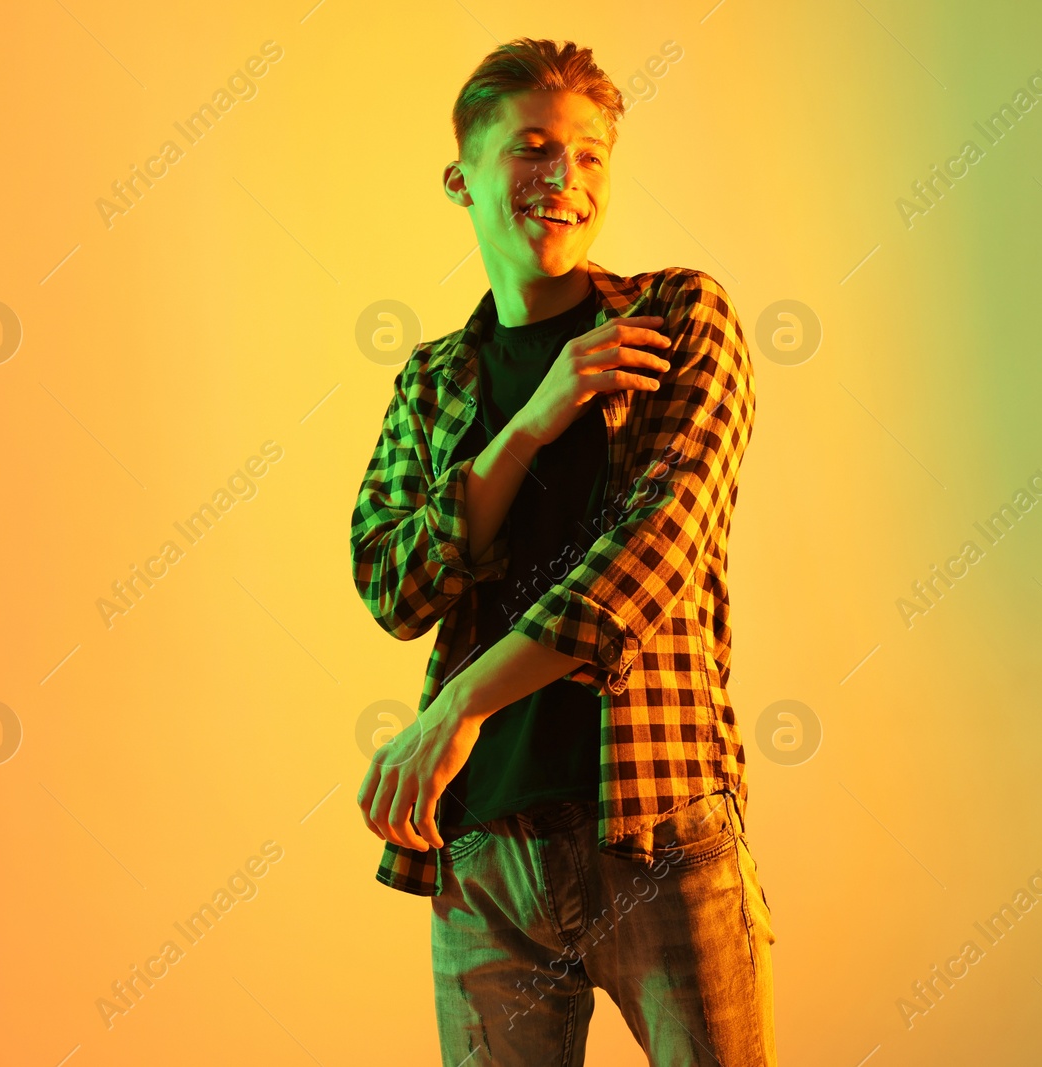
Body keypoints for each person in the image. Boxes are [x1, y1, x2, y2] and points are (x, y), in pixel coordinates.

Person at [349, 36, 773, 1066]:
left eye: (589, 156)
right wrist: (532, 420)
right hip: (485, 847)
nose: (566, 180)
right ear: (462, 177)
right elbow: (392, 580)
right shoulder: (433, 381)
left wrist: (456, 706)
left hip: (656, 818)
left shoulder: (677, 317)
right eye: (533, 148)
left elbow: (651, 556)